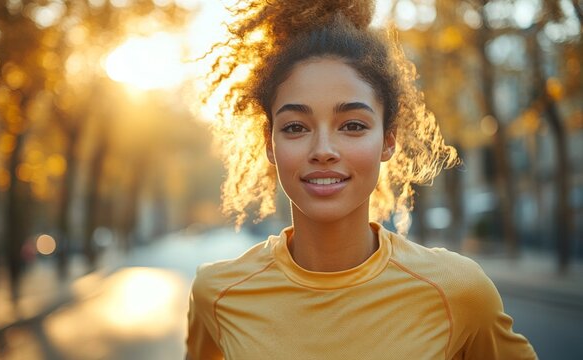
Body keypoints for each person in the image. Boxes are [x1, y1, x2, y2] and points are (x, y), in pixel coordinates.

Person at [186, 0, 537, 359]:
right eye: (295, 127)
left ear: (388, 140)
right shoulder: (217, 295)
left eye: (352, 125)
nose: (323, 150)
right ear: (270, 144)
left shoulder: (458, 291)